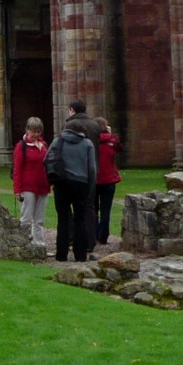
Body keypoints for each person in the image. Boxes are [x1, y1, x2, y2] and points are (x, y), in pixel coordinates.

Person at [46, 122, 97, 262]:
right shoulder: (87, 144)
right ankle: (80, 255)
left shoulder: (58, 141)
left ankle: (61, 255)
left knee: (62, 219)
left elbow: (46, 160)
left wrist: (52, 180)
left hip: (61, 183)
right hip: (81, 183)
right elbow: (92, 168)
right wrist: (90, 188)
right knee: (80, 219)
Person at [65, 99, 101, 250]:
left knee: (70, 206)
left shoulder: (68, 125)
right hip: (92, 169)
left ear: (72, 109)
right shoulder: (95, 125)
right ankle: (90, 241)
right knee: (90, 206)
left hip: (72, 172)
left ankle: (73, 237)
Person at [11, 117, 50, 248]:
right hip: (27, 187)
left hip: (43, 186)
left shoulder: (44, 145)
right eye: (33, 131)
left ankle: (39, 245)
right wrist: (17, 189)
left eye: (38, 131)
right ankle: (24, 245)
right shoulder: (21, 146)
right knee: (26, 218)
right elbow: (17, 169)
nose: (36, 134)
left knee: (39, 220)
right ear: (27, 130)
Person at [94, 116, 123, 246]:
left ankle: (94, 235)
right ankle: (103, 237)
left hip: (94, 180)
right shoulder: (111, 141)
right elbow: (119, 149)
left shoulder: (91, 141)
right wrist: (111, 135)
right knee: (106, 210)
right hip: (109, 181)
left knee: (93, 209)